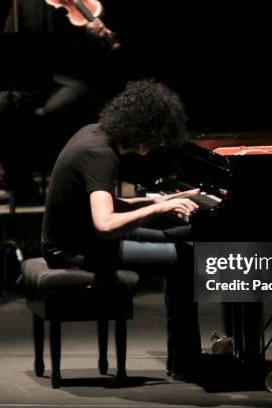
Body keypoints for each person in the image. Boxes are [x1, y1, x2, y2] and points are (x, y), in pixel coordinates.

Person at [42, 79, 203, 379]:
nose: (156, 146)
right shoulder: (101, 155)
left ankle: (184, 357)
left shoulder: (92, 133)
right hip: (75, 252)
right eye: (156, 138)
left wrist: (162, 199)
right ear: (145, 131)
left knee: (177, 238)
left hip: (80, 240)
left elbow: (105, 203)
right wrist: (157, 208)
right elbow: (104, 224)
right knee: (184, 260)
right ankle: (186, 362)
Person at [0, 0, 116, 205]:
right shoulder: (22, 4)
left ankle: (66, 189)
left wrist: (96, 36)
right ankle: (24, 190)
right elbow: (9, 45)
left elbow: (105, 54)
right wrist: (16, 82)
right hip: (34, 81)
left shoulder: (83, 3)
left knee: (51, 112)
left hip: (74, 79)